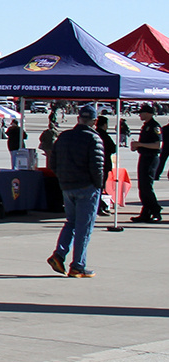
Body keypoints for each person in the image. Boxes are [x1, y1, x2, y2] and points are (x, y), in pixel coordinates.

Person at [48, 106, 105, 278]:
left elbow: (53, 162)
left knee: (71, 222)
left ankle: (59, 254)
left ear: (78, 119)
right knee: (84, 228)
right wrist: (98, 185)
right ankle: (78, 265)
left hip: (67, 186)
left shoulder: (64, 137)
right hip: (86, 187)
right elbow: (97, 167)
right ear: (94, 122)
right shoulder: (93, 138)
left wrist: (63, 178)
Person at [130, 105, 161, 223]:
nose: (140, 115)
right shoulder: (146, 126)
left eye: (141, 113)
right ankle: (146, 211)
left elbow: (157, 145)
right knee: (142, 187)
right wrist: (137, 146)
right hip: (144, 157)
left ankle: (155, 211)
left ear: (148, 113)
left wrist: (140, 145)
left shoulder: (154, 126)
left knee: (147, 186)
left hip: (151, 158)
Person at [94, 116, 117, 216]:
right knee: (100, 186)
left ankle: (100, 205)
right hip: (103, 164)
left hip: (95, 164)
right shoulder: (103, 135)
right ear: (105, 125)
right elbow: (113, 148)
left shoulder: (94, 133)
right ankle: (99, 206)